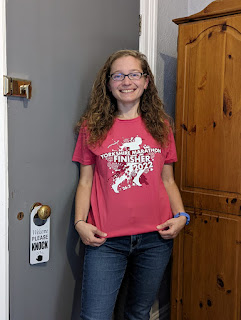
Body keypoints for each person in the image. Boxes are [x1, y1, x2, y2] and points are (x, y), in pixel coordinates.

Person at [72, 49, 189, 320]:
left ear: (146, 81)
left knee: (138, 313)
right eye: (118, 76)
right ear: (109, 84)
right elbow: (85, 182)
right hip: (105, 241)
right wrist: (80, 224)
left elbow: (168, 180)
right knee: (94, 316)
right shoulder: (93, 127)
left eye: (134, 74)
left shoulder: (161, 126)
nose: (127, 81)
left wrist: (182, 216)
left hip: (156, 238)